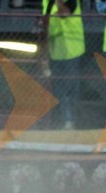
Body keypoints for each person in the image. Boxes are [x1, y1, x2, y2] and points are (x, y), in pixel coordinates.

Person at [43, 0, 85, 129]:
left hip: (71, 49)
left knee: (70, 87)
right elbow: (46, 21)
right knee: (59, 89)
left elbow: (65, 12)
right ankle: (62, 122)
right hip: (56, 50)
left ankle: (70, 121)